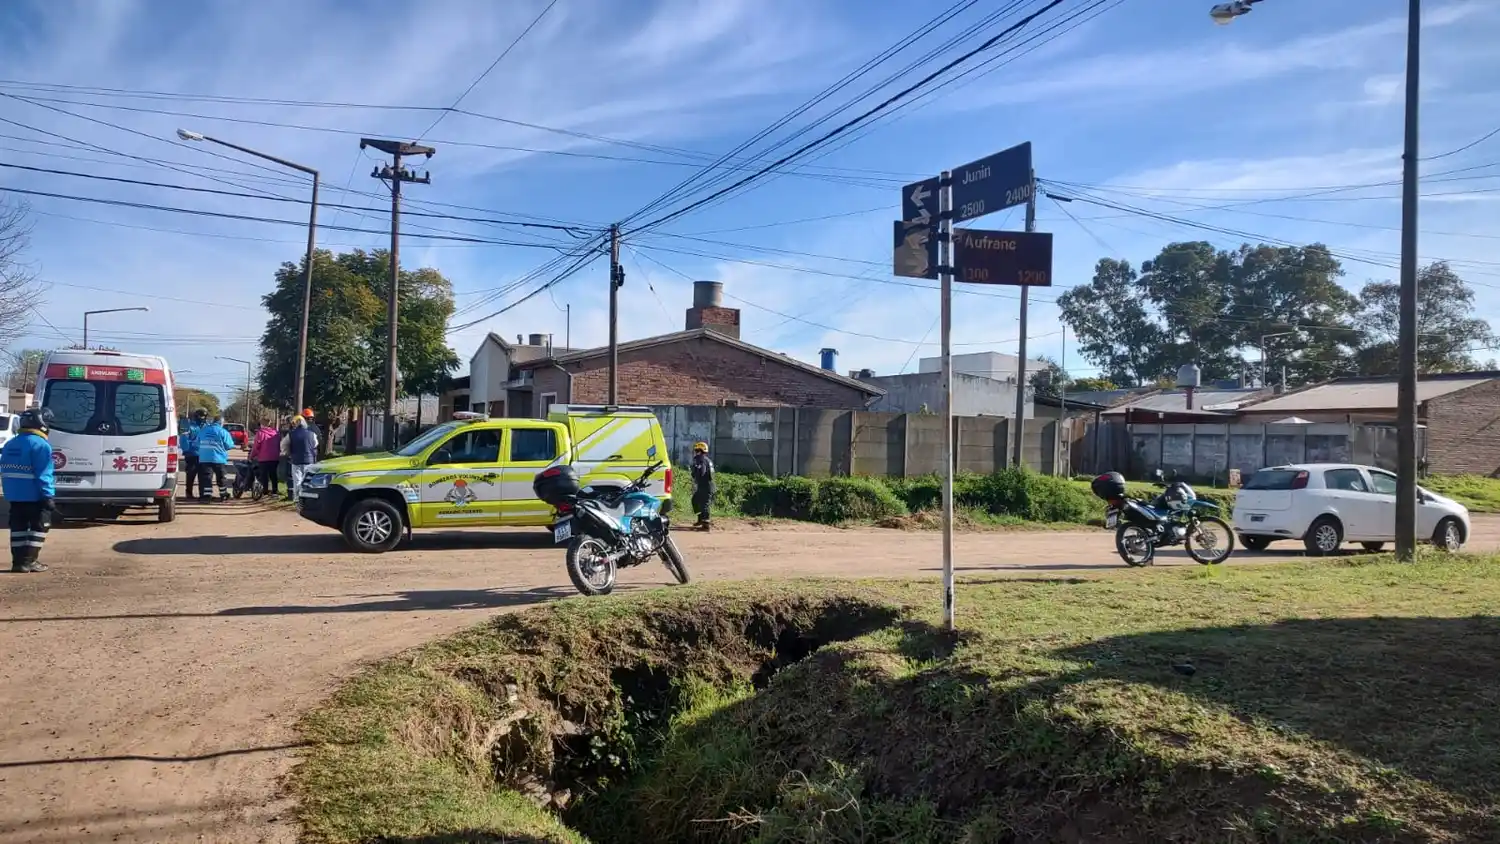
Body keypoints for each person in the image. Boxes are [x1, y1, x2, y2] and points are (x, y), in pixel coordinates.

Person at [2, 408, 56, 573]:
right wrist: (48, 495)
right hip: (34, 495)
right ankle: (29, 561)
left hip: (14, 496)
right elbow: (43, 473)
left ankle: (18, 563)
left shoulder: (11, 443)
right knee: (39, 527)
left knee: (18, 528)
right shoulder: (41, 445)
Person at [195, 414, 234, 502]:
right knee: (221, 477)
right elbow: (229, 445)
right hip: (219, 458)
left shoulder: (203, 430)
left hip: (204, 458)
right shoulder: (223, 432)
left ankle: (206, 496)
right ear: (221, 422)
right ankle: (223, 494)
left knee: (206, 478)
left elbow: (197, 443)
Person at [286, 414, 318, 500]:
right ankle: (308, 497)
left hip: (296, 460)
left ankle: (297, 498)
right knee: (308, 480)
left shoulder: (291, 434)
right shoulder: (312, 434)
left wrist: (287, 452)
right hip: (309, 460)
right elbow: (315, 444)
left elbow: (284, 445)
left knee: (297, 480)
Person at [250, 419, 281, 496]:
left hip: (264, 457)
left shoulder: (260, 433)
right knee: (273, 474)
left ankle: (265, 490)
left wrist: (252, 456)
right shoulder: (276, 433)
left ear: (262, 425)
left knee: (264, 474)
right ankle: (275, 491)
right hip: (275, 457)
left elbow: (256, 446)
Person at [180, 409, 206, 501]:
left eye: (204, 416)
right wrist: (187, 450)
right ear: (196, 416)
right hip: (192, 454)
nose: (202, 418)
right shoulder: (189, 427)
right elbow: (183, 439)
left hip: (203, 455)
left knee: (203, 476)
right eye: (201, 416)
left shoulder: (206, 427)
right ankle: (189, 493)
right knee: (191, 475)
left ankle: (203, 495)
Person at [690, 441, 715, 531]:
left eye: (696, 451)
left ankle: (706, 524)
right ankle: (701, 519)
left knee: (705, 504)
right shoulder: (705, 459)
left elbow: (701, 472)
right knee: (695, 500)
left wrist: (695, 472)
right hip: (703, 485)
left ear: (700, 451)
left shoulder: (701, 460)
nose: (695, 453)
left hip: (706, 485)